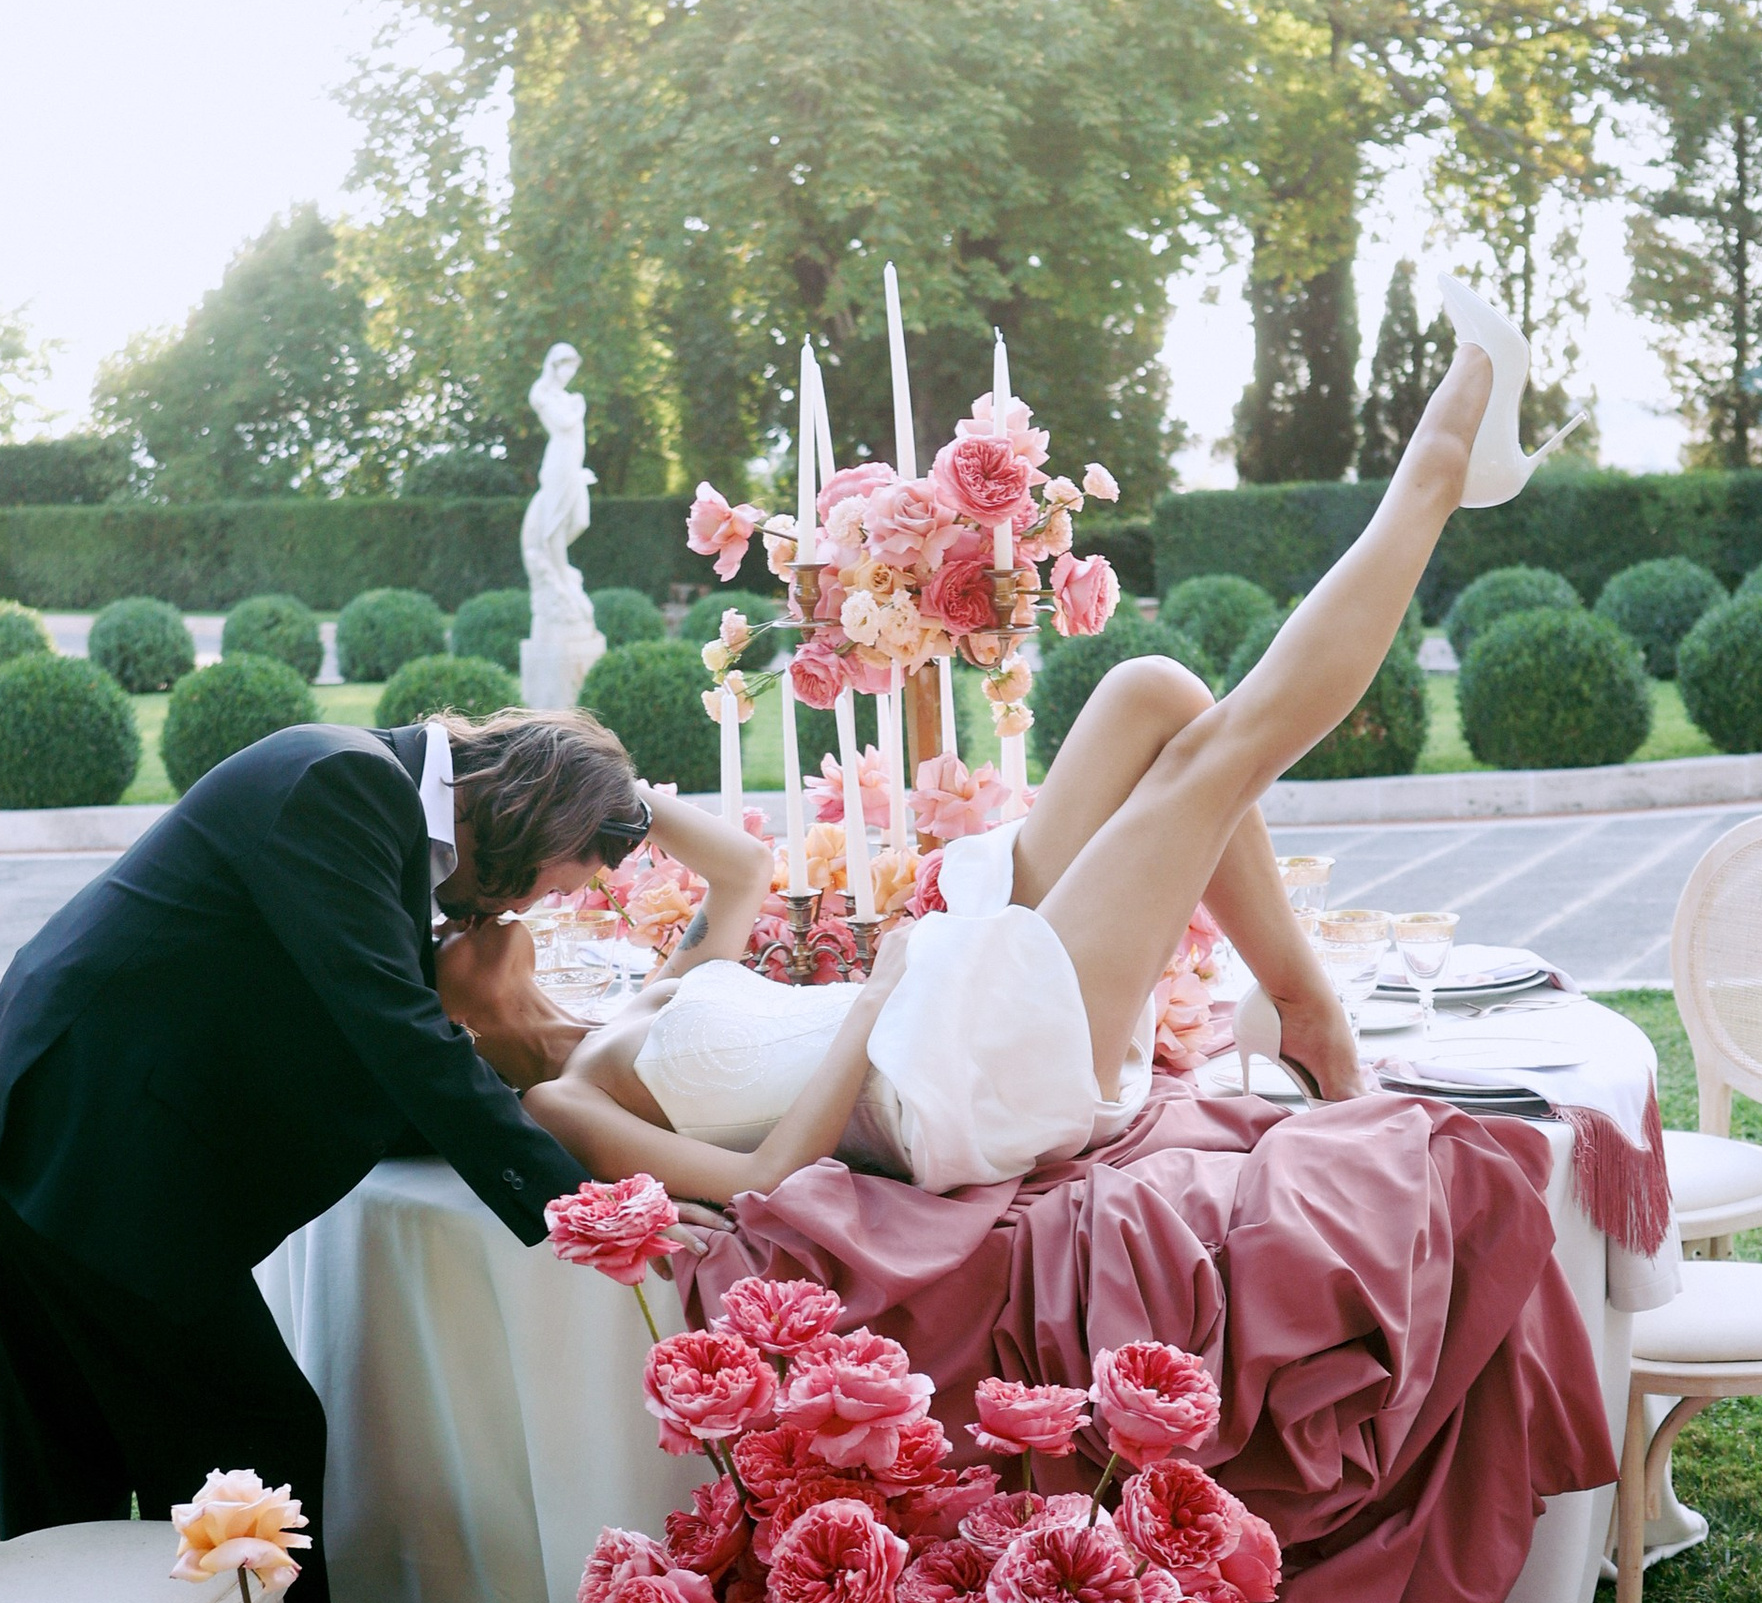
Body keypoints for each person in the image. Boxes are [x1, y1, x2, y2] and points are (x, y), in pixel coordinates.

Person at [525, 325, 1507, 1202]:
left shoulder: (656, 986)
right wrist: (874, 1000)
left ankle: (1302, 1012)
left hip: (942, 996)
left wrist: (573, 795)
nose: (496, 924)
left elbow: (739, 869)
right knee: (1224, 759)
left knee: (1150, 690)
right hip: (951, 1079)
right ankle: (1438, 473)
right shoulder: (564, 1102)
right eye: (460, 927)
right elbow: (759, 1179)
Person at [0, 706, 650, 1603]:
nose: (548, 902)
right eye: (565, 876)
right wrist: (580, 1208)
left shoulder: (374, 814)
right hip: (95, 1139)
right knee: (244, 1451)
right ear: (536, 812)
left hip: (73, 1120)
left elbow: (352, 1033)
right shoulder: (341, 788)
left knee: (77, 1470)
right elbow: (394, 1030)